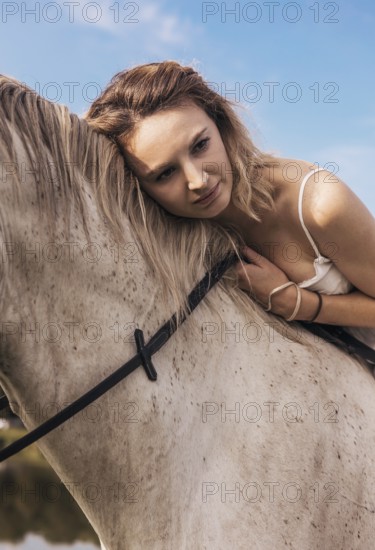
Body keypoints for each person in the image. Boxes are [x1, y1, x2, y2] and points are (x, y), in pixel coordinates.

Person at [83, 60, 375, 357]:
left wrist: (298, 303)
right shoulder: (165, 233)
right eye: (165, 174)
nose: (197, 181)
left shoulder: (319, 204)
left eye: (200, 146)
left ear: (220, 124)